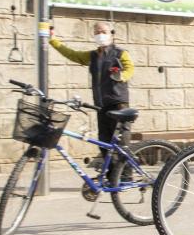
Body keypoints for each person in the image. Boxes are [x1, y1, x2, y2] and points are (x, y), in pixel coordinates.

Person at [49, 21, 134, 158]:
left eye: (103, 32)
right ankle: (110, 177)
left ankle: (127, 175)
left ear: (111, 34)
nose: (100, 35)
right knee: (104, 143)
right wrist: (53, 41)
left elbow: (130, 68)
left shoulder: (120, 53)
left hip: (118, 104)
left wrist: (122, 76)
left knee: (121, 144)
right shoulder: (93, 56)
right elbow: (72, 54)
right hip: (101, 106)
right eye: (97, 32)